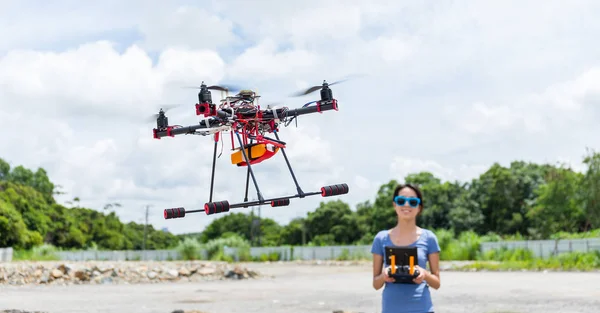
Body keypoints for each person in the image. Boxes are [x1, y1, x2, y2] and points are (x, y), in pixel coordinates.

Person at [371, 183, 441, 313]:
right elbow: (376, 284)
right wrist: (384, 275)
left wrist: (424, 274)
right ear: (394, 205)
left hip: (422, 308)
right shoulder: (381, 238)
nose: (407, 205)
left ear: (419, 207)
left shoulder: (429, 238)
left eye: (413, 202)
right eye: (401, 201)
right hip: (391, 308)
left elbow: (437, 283)